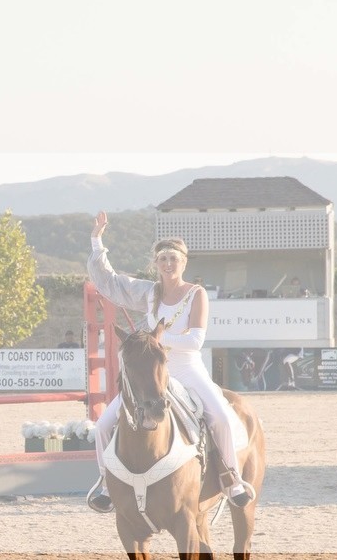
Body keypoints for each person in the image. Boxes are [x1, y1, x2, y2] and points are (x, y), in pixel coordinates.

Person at [84, 211, 256, 511]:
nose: (167, 264)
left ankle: (232, 478)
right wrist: (97, 240)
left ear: (183, 262)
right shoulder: (150, 293)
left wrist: (158, 341)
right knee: (103, 425)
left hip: (187, 369)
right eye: (162, 259)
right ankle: (106, 483)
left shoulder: (196, 294)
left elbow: (195, 341)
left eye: (173, 259)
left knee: (221, 417)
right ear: (156, 264)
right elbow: (112, 283)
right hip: (155, 371)